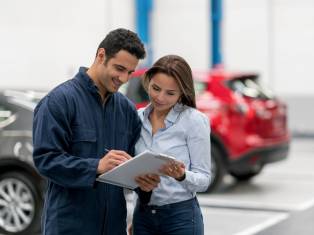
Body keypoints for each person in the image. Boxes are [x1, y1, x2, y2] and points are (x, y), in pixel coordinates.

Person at [32, 28, 159, 235]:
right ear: (101, 56)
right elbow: (46, 160)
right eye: (119, 68)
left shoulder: (126, 110)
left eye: (129, 72)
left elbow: (133, 164)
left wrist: (144, 184)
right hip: (68, 226)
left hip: (113, 227)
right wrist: (96, 166)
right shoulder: (59, 101)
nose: (124, 78)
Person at [132, 55, 211, 235]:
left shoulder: (194, 121)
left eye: (170, 93)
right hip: (143, 215)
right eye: (156, 88)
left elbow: (204, 180)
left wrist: (182, 175)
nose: (160, 97)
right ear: (148, 82)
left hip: (180, 217)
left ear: (182, 93)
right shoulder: (137, 118)